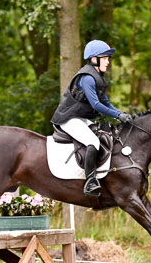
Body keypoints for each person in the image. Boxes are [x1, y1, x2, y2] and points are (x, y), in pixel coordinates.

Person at [51, 40, 132, 197]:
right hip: (69, 119)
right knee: (93, 142)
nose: (108, 62)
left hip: (80, 118)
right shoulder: (87, 78)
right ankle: (90, 181)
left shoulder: (97, 77)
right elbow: (95, 105)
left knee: (102, 135)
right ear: (95, 58)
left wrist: (122, 114)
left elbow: (106, 103)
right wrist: (117, 115)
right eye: (106, 58)